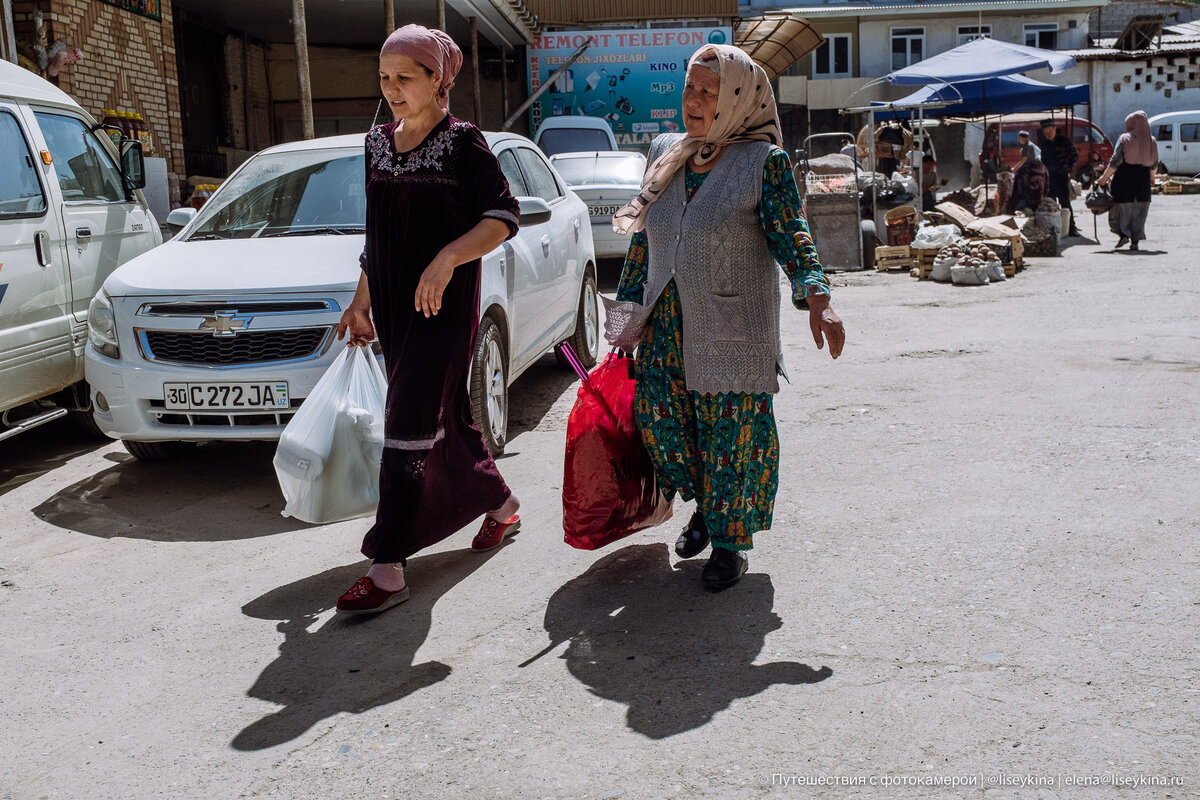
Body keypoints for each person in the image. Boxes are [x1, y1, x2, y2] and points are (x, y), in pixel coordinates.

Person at [606, 44, 845, 590]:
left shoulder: (764, 163)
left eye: (708, 92)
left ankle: (730, 542)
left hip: (732, 327)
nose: (693, 100)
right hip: (665, 324)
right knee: (663, 426)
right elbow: (643, 244)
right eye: (690, 88)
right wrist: (624, 322)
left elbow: (793, 236)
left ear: (737, 98)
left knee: (732, 439)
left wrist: (818, 298)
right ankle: (707, 508)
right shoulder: (668, 150)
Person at [334, 24, 523, 614]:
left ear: (437, 79)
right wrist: (362, 299)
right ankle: (501, 504)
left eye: (405, 78)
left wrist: (447, 258)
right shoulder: (375, 143)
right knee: (450, 418)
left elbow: (502, 217)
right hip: (392, 307)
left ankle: (387, 562)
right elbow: (378, 233)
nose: (392, 89)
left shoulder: (465, 144)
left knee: (408, 420)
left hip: (443, 308)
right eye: (385, 78)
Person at [1096, 110, 1158, 251]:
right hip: (1142, 187)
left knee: (1118, 214)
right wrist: (1152, 178)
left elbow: (1115, 162)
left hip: (1124, 185)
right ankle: (1135, 241)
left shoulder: (1124, 139)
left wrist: (1103, 179)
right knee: (1139, 215)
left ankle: (1123, 234)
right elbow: (1154, 164)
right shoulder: (1152, 141)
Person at [1038, 118, 1080, 236]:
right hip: (1050, 178)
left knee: (1065, 203)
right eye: (1046, 133)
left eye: (1050, 131)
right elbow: (1043, 161)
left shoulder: (1064, 141)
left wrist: (1068, 169)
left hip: (1062, 176)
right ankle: (1053, 228)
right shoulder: (1044, 144)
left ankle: (1072, 228)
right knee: (1051, 203)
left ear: (1055, 129)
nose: (1048, 134)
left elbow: (1075, 156)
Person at [1011, 130, 1047, 213]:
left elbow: (1024, 159)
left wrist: (1015, 168)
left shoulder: (1028, 146)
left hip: (1031, 172)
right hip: (1034, 171)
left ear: (1023, 138)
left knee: (1022, 190)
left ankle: (1022, 209)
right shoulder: (1028, 146)